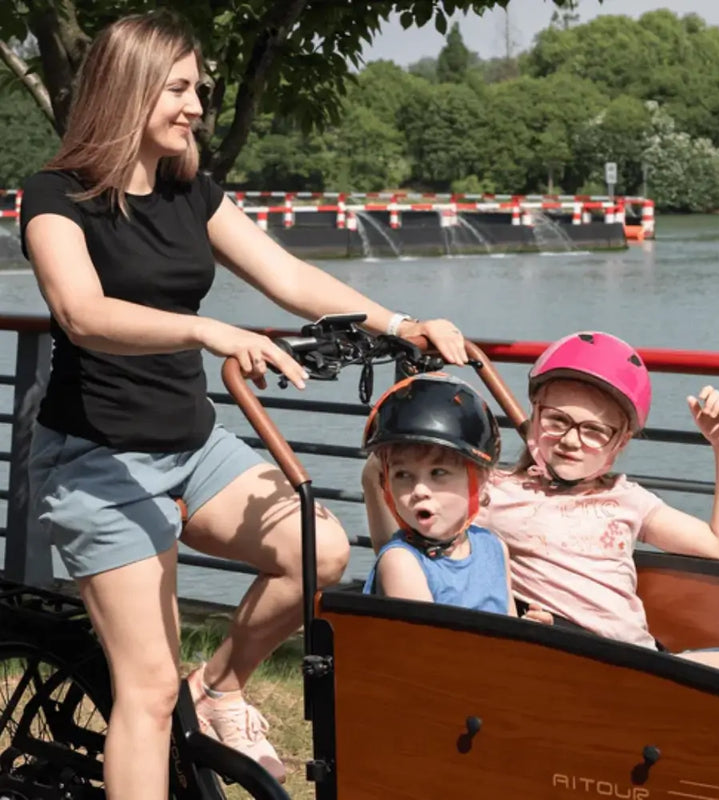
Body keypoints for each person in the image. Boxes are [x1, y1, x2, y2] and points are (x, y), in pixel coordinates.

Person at [20, 10, 469, 799]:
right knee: (148, 692)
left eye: (202, 89)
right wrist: (212, 332)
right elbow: (82, 312)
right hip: (96, 459)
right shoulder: (57, 197)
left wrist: (400, 322)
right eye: (180, 88)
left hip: (190, 445)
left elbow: (289, 278)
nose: (197, 106)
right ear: (128, 88)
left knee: (321, 554)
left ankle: (221, 685)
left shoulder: (190, 189)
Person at [363, 331, 719, 691]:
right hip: (589, 669)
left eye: (594, 430)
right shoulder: (491, 492)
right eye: (557, 421)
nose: (572, 441)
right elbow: (407, 514)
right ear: (534, 417)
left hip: (649, 662)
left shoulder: (629, 500)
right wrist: (415, 406)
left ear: (620, 442)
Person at [361, 373, 515, 616]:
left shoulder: (493, 547)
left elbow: (510, 628)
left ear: (481, 481)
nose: (419, 490)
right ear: (385, 484)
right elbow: (430, 650)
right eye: (403, 475)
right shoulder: (402, 562)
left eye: (438, 472)